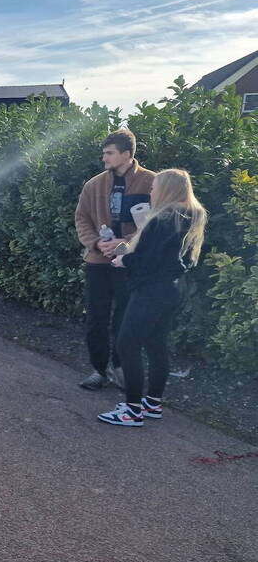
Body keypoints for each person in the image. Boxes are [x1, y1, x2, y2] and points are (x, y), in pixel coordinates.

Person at [97, 169, 208, 426]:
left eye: (154, 187)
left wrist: (123, 259)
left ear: (167, 188)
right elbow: (171, 258)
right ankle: (152, 403)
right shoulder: (190, 216)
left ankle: (132, 410)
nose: (151, 191)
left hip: (151, 291)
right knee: (156, 345)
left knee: (127, 345)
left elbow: (148, 259)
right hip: (172, 289)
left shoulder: (165, 218)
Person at [74, 129, 156, 391]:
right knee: (96, 320)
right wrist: (97, 243)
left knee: (126, 318)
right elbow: (81, 219)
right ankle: (99, 370)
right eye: (104, 153)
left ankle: (121, 368)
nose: (104, 158)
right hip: (98, 263)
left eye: (109, 153)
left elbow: (155, 225)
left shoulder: (152, 183)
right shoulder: (93, 185)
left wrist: (125, 244)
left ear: (126, 154)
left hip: (131, 265)